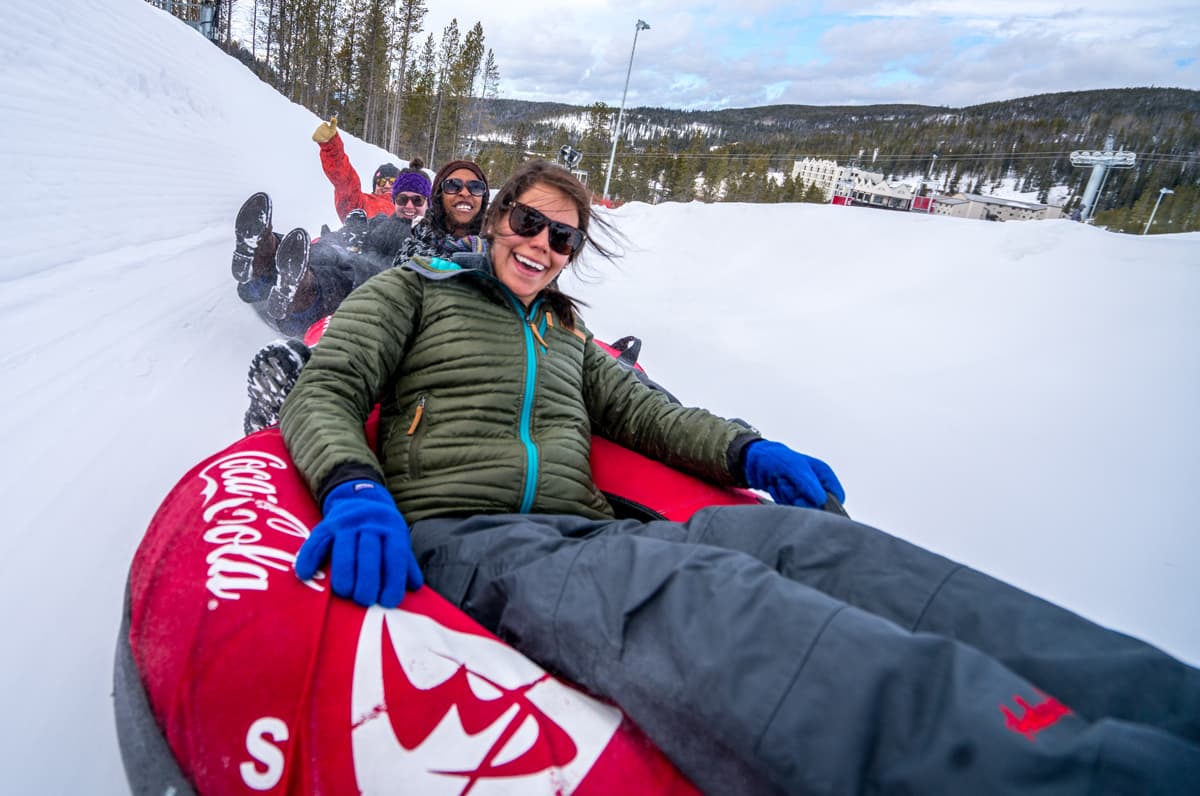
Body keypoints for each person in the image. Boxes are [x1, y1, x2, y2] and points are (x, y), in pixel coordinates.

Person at [278, 159, 1200, 794]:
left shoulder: (565, 334)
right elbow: (326, 390)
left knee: (819, 548)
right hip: (479, 539)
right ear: (496, 219)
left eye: (562, 238)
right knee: (709, 593)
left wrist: (747, 451)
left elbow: (652, 414)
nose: (541, 246)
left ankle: (1165, 710)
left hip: (598, 525)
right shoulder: (414, 293)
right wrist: (356, 486)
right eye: (529, 222)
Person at [239, 160, 492, 434]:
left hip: (388, 304)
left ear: (428, 202)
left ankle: (297, 293)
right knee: (333, 263)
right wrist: (341, 239)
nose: (409, 206)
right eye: (403, 198)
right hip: (370, 293)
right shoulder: (393, 225)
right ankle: (267, 254)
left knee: (348, 276)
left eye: (417, 200)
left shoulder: (490, 246)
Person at [311, 115, 402, 222]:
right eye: (381, 182)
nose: (387, 185)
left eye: (392, 182)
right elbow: (346, 183)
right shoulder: (363, 203)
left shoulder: (413, 208)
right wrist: (331, 145)